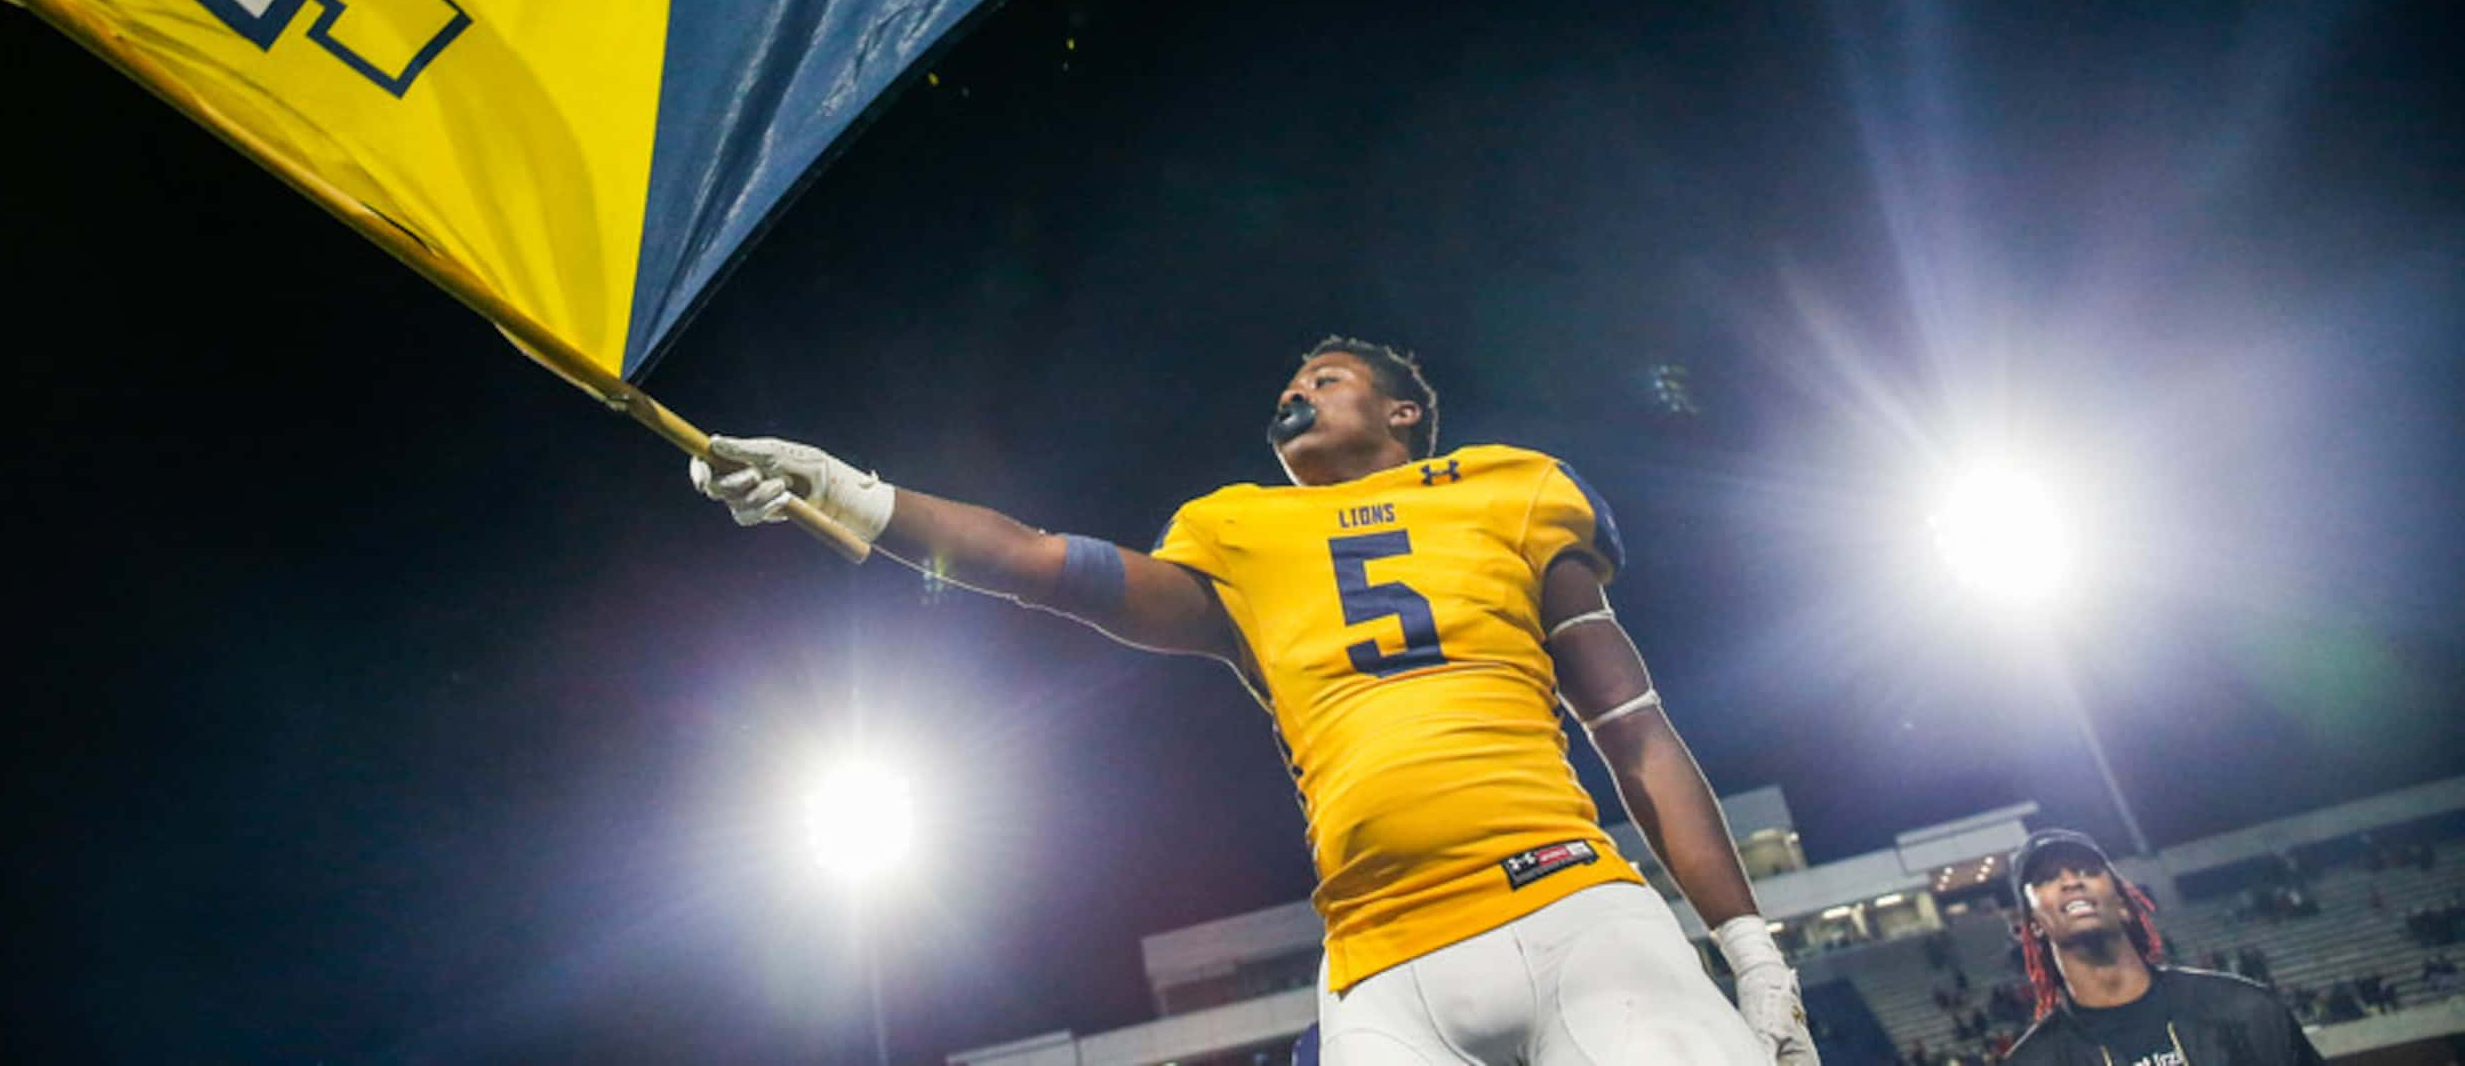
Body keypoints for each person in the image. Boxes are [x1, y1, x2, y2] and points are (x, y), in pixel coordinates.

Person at [693, 337, 1814, 1066]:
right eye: (1287, 384)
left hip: (1568, 909)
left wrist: (1750, 949)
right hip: (1380, 965)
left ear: (1406, 410)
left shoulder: (1512, 490)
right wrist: (841, 490)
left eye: (1324, 377)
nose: (1294, 391)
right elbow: (1037, 565)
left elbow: (1634, 734)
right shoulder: (1238, 535)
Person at [2005, 828, 2320, 1066]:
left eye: (2088, 870)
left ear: (2123, 903)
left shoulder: (2242, 1007)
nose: (2072, 881)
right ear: (2033, 925)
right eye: (2046, 878)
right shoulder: (2035, 1061)